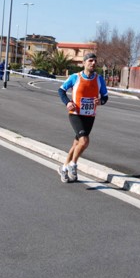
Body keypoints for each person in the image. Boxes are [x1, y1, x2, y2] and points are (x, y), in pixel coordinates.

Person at [58, 52, 108, 183]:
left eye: (95, 61)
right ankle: (73, 165)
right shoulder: (75, 77)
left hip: (90, 116)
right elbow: (61, 90)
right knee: (84, 141)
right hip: (76, 114)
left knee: (77, 144)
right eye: (90, 60)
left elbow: (105, 97)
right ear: (84, 63)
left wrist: (100, 101)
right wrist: (68, 102)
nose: (93, 63)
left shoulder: (99, 79)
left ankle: (63, 168)